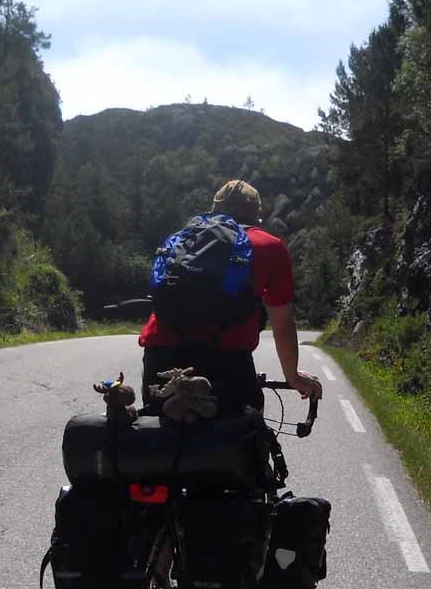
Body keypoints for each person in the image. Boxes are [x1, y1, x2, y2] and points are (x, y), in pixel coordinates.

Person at [138, 179, 323, 417]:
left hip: (162, 357)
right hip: (228, 361)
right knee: (242, 442)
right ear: (257, 215)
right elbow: (283, 325)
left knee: (154, 441)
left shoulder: (182, 239)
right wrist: (293, 377)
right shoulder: (270, 246)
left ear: (214, 209)